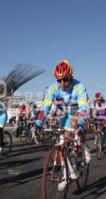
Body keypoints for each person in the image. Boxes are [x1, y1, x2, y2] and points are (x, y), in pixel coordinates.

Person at [35, 60, 90, 190]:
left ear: (70, 77)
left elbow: (84, 107)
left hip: (78, 112)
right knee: (63, 144)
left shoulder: (79, 87)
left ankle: (83, 146)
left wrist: (80, 121)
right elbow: (45, 107)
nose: (62, 83)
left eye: (65, 80)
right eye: (59, 80)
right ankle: (67, 175)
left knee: (77, 127)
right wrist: (38, 123)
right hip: (65, 114)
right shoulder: (53, 88)